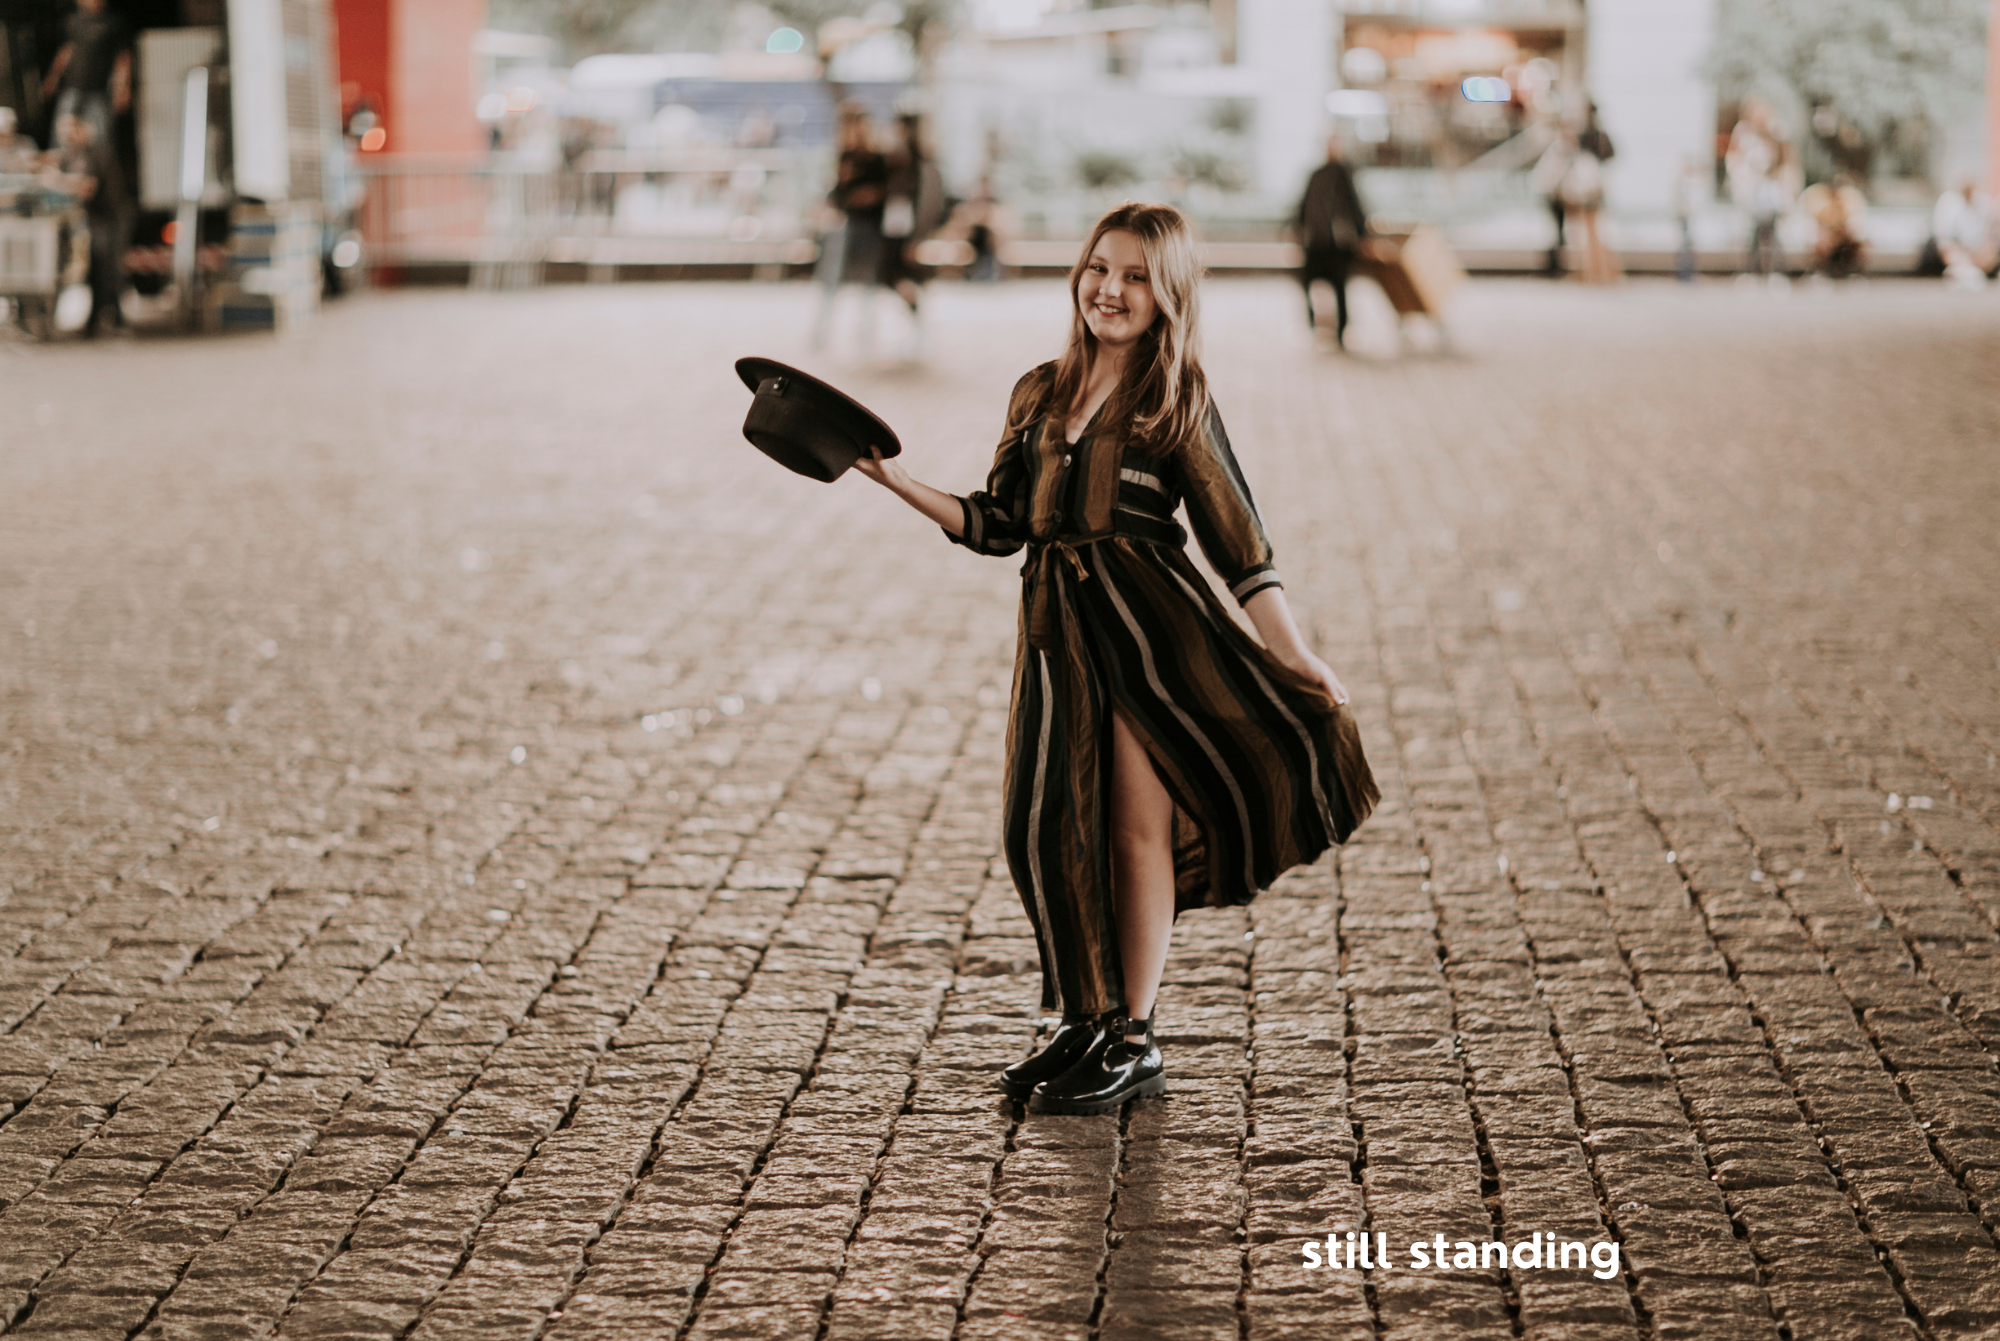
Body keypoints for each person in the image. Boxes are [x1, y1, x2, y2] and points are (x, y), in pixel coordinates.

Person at [850, 203, 1378, 1115]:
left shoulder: (1176, 398)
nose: (1112, 289)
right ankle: (1087, 1014)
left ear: (1167, 294)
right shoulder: (1038, 391)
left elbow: (1238, 540)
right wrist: (894, 479)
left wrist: (1291, 652)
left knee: (1135, 834)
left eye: (1136, 276)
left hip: (1152, 637)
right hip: (1058, 634)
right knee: (1041, 825)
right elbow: (1000, 524)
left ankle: (1130, 1034)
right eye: (1101, 268)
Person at [810, 101, 889, 353]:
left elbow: (879, 194)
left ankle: (865, 336)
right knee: (831, 283)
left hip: (868, 228)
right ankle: (821, 334)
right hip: (846, 227)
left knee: (867, 284)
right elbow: (839, 196)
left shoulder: (877, 159)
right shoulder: (844, 157)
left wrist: (862, 195)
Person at [42, 109, 128, 336]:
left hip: (110, 217)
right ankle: (102, 319)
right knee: (97, 268)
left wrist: (56, 180)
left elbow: (87, 188)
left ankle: (111, 319)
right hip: (95, 219)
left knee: (107, 267)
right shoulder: (72, 154)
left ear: (83, 130)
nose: (66, 135)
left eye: (71, 129)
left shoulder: (96, 153)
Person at [877, 112, 944, 355]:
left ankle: (917, 320)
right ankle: (915, 319)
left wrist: (918, 236)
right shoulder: (899, 158)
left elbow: (927, 202)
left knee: (898, 274)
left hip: (905, 230)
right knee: (894, 274)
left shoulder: (917, 163)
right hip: (894, 228)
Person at [1294, 134, 1369, 348]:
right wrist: (1298, 228)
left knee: (1340, 288)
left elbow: (1355, 205)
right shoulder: (1317, 174)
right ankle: (1312, 325)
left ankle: (1341, 331)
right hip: (1318, 241)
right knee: (1307, 282)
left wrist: (1363, 235)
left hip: (1338, 245)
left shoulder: (1345, 174)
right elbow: (1304, 202)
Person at [38, 0, 127, 147]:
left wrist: (122, 87)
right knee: (61, 132)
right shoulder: (72, 21)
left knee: (100, 135)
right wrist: (52, 78)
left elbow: (122, 58)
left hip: (98, 89)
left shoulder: (112, 23)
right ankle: (58, 166)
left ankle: (99, 168)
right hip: (72, 86)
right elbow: (66, 51)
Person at [1727, 99, 1794, 280]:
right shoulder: (1743, 132)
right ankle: (1752, 272)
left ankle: (1776, 273)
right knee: (1752, 233)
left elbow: (1785, 159)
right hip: (1751, 190)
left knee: (1773, 232)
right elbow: (1734, 158)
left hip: (1770, 189)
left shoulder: (1776, 131)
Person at [1560, 107, 1619, 284]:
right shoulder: (1599, 138)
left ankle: (1594, 272)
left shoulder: (1585, 146)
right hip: (1594, 193)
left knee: (1589, 235)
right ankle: (1600, 272)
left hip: (1587, 195)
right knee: (1595, 235)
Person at [1930, 178, 1996, 288]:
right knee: (1950, 251)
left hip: (1976, 250)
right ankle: (1964, 270)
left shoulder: (1983, 202)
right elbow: (1943, 239)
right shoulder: (1948, 201)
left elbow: (1990, 232)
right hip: (1954, 248)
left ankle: (1965, 271)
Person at [1798, 173, 1867, 279]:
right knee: (1821, 242)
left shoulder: (1850, 199)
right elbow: (1820, 221)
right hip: (1828, 234)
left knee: (1856, 242)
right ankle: (1821, 271)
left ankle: (1852, 271)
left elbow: (1852, 222)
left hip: (1842, 234)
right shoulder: (1820, 197)